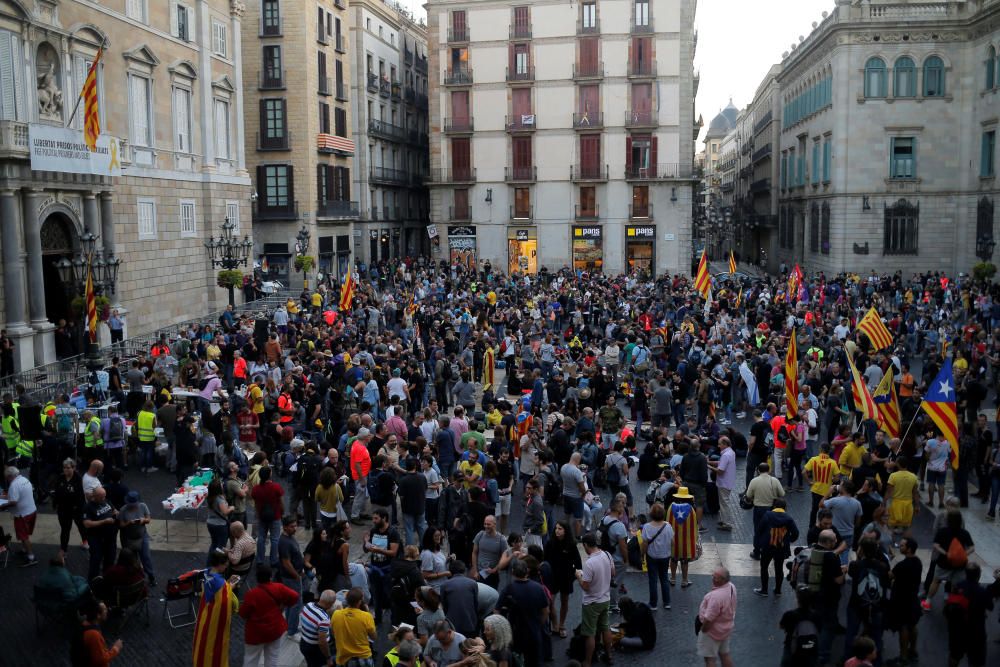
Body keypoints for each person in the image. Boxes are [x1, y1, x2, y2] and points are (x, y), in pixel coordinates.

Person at [239, 564, 300, 667]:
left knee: (251, 659)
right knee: (272, 657)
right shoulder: (279, 588)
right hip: (275, 630)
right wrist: (284, 605)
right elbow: (295, 596)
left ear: (257, 578)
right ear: (270, 577)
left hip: (256, 634)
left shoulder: (252, 594)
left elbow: (243, 613)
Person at [843, 537, 889, 661]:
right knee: (877, 635)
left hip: (856, 604)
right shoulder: (882, 567)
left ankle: (848, 659)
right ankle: (877, 661)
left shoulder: (855, 565)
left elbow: (853, 574)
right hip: (876, 605)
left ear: (861, 550)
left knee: (851, 633)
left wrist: (858, 557)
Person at [193, 550, 241, 667]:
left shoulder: (207, 573)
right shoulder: (220, 583)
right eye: (225, 565)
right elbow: (225, 601)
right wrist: (232, 586)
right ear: (220, 564)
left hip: (205, 615)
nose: (226, 567)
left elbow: (218, 590)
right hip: (214, 622)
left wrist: (228, 582)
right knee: (214, 646)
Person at [498, 558, 548, 667]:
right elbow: (545, 611)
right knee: (534, 661)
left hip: (514, 632)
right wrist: (539, 625)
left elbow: (496, 611)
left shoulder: (508, 589)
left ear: (512, 572)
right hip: (534, 632)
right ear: (527, 571)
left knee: (516, 661)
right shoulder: (538, 588)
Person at [944, 563, 994, 667]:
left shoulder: (958, 586)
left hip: (957, 629)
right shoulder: (982, 591)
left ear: (966, 574)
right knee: (976, 660)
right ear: (978, 575)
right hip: (975, 631)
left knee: (954, 656)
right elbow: (991, 606)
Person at [925, 509, 975, 608]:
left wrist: (946, 553)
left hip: (944, 562)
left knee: (936, 581)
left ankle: (927, 602)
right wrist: (963, 554)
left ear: (948, 520)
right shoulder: (964, 533)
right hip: (960, 565)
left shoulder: (942, 532)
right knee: (955, 584)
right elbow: (972, 548)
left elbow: (936, 545)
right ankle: (951, 604)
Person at [576, 532, 613, 667]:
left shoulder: (589, 563)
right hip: (605, 599)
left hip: (591, 602)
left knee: (590, 633)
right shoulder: (607, 555)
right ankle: (609, 655)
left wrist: (579, 576)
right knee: (605, 628)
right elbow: (612, 573)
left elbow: (585, 586)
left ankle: (587, 661)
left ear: (585, 545)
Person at [752, 497, 798, 597]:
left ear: (774, 506)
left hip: (767, 546)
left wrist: (758, 545)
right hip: (781, 547)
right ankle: (778, 590)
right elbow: (796, 533)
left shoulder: (768, 515)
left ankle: (764, 590)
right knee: (779, 568)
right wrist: (788, 540)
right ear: (785, 507)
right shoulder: (788, 518)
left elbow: (759, 531)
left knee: (764, 567)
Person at [543, 520, 581, 637]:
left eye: (560, 529)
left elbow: (578, 563)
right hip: (552, 577)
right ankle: (555, 623)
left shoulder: (571, 544)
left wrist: (573, 575)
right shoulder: (550, 543)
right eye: (556, 528)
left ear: (565, 531)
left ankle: (561, 625)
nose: (557, 531)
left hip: (565, 577)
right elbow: (545, 560)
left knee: (565, 601)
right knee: (550, 602)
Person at [888, 536, 923, 666]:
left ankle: (903, 657)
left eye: (902, 546)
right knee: (912, 626)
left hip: (901, 601)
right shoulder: (917, 562)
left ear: (908, 549)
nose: (900, 547)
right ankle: (913, 651)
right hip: (913, 599)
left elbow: (890, 576)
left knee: (903, 628)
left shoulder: (902, 565)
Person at [365, 507, 402, 624]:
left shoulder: (392, 532)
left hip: (388, 570)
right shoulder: (373, 531)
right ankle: (378, 618)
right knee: (376, 595)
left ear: (384, 518)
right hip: (375, 569)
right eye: (373, 519)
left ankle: (394, 620)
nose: (374, 521)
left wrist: (379, 550)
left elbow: (394, 552)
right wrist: (365, 542)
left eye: (376, 518)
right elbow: (367, 550)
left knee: (391, 596)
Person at [697, 567, 737, 667]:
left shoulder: (716, 597)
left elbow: (709, 618)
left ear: (723, 580)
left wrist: (703, 630)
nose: (713, 579)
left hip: (712, 631)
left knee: (710, 660)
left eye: (716, 577)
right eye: (713, 576)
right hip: (726, 628)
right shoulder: (731, 586)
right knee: (724, 654)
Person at [746, 462, 785, 560]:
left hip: (758, 509)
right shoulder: (774, 480)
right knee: (770, 530)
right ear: (769, 470)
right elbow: (782, 493)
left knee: (758, 530)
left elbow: (748, 496)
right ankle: (768, 550)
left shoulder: (754, 481)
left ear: (758, 470)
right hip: (771, 509)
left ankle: (757, 552)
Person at [640, 502, 674, 610]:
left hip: (652, 557)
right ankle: (667, 602)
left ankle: (653, 604)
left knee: (653, 580)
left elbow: (644, 544)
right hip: (665, 556)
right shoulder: (668, 526)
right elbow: (672, 542)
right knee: (664, 578)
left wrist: (642, 555)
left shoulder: (646, 527)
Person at [331, 587, 377, 667]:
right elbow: (373, 637)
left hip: (343, 659)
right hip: (363, 658)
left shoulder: (336, 615)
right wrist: (367, 612)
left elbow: (333, 632)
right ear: (359, 602)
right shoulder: (366, 616)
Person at [50, 458, 88, 555]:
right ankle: (63, 549)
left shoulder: (78, 479)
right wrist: (55, 503)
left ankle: (85, 541)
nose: (66, 470)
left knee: (81, 526)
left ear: (74, 468)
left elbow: (80, 496)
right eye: (64, 468)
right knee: (65, 530)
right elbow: (57, 492)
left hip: (76, 509)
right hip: (63, 510)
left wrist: (79, 508)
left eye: (68, 468)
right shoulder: (60, 478)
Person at [117, 491, 155, 586]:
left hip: (142, 536)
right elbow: (121, 524)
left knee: (146, 557)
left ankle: (151, 576)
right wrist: (128, 523)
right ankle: (137, 579)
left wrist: (143, 520)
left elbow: (148, 519)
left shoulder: (143, 506)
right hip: (128, 538)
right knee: (133, 560)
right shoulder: (123, 510)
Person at [276, 516, 305, 640]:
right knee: (296, 604)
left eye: (295, 525)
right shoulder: (284, 542)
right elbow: (286, 563)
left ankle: (289, 626)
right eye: (292, 526)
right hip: (291, 578)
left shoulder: (290, 538)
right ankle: (292, 632)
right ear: (285, 527)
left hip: (293, 575)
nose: (295, 528)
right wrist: (296, 576)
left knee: (290, 603)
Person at [70, 600, 122, 667]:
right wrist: (116, 648)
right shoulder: (94, 635)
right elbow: (100, 660)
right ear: (98, 615)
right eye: (105, 610)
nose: (107, 611)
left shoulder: (84, 625)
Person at [4, 465, 38, 566]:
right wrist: (5, 496)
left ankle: (31, 557)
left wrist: (2, 504)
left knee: (24, 536)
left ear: (10, 476)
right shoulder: (24, 479)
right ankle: (24, 550)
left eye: (7, 478)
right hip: (32, 510)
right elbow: (20, 494)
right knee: (25, 534)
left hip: (22, 515)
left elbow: (13, 501)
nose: (7, 480)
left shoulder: (14, 485)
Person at [251, 466, 284, 568]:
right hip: (275, 516)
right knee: (275, 539)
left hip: (262, 516)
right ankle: (273, 560)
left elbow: (256, 502)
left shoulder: (256, 488)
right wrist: (282, 512)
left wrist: (258, 513)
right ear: (270, 474)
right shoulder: (276, 487)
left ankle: (260, 559)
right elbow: (281, 502)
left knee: (261, 537)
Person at [82, 486, 118, 580]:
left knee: (110, 559)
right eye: (101, 497)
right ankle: (93, 582)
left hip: (110, 538)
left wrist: (117, 514)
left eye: (104, 496)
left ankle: (108, 580)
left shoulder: (106, 501)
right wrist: (104, 521)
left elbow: (114, 510)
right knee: (96, 560)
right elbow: (87, 524)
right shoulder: (88, 507)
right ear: (95, 496)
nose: (103, 499)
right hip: (97, 539)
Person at [666, 487, 699, 587]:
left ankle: (672, 578)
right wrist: (695, 540)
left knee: (674, 559)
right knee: (685, 561)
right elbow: (694, 526)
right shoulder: (691, 510)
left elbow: (667, 523)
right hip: (686, 541)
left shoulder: (671, 507)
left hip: (673, 541)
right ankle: (684, 580)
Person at [804, 443, 840, 530]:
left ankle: (811, 527)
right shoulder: (833, 462)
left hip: (816, 489)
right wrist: (831, 480)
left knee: (814, 509)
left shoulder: (813, 460)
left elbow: (803, 472)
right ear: (829, 451)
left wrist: (809, 482)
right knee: (826, 510)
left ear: (820, 449)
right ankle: (825, 526)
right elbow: (837, 478)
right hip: (827, 491)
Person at [439, 559, 479, 638]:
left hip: (452, 623)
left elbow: (444, 605)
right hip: (470, 622)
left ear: (450, 572)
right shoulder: (473, 583)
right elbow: (475, 604)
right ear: (464, 570)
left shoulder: (444, 585)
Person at [299, 589, 336, 667]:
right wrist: (328, 657)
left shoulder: (308, 605)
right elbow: (322, 642)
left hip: (303, 643)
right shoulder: (324, 618)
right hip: (315, 649)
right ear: (330, 604)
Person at [707, 435, 736, 531]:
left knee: (724, 503)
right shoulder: (730, 452)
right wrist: (710, 462)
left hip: (724, 482)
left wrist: (709, 466)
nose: (718, 446)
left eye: (719, 444)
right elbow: (721, 462)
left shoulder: (725, 455)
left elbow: (720, 471)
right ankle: (724, 520)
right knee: (724, 502)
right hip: (728, 481)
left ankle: (727, 523)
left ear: (724, 444)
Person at [471, 514, 505, 589]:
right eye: (485, 524)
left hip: (492, 575)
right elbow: (474, 553)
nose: (486, 526)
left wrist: (494, 570)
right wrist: (475, 570)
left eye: (488, 524)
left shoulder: (501, 539)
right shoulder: (480, 535)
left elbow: (504, 558)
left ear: (495, 524)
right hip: (479, 573)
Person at [206, 479, 234, 566]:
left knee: (214, 544)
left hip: (210, 523)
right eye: (221, 484)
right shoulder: (219, 499)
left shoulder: (210, 497)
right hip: (220, 525)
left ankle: (209, 564)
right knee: (221, 547)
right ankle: (217, 564)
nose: (222, 485)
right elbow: (225, 512)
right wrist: (231, 508)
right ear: (218, 488)